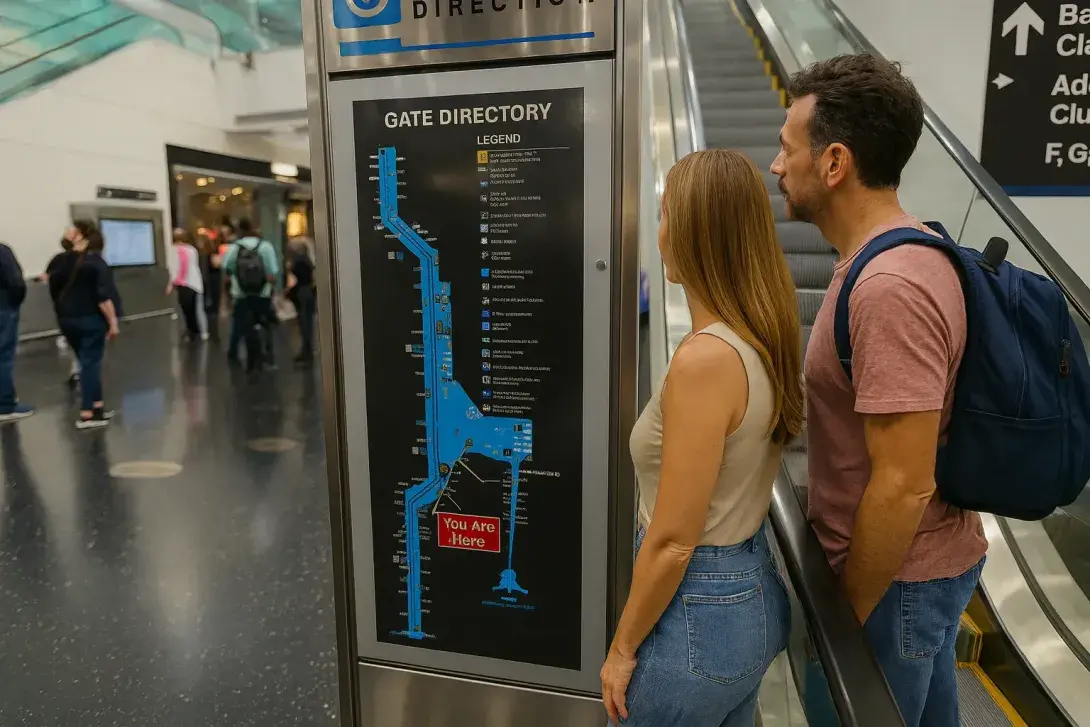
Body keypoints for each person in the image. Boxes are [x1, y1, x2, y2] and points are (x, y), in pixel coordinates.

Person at [770, 54, 988, 727]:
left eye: (787, 149)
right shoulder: (892, 257)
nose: (777, 167)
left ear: (834, 163)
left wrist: (848, 615)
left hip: (894, 585)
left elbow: (902, 483)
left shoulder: (889, 287)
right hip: (915, 578)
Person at [601, 149, 802, 726]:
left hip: (696, 613)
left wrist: (622, 650)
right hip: (749, 592)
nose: (658, 235)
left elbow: (672, 541)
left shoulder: (705, 360)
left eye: (665, 216)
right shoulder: (760, 339)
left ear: (694, 231)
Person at [47, 220, 119, 429]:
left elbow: (53, 290)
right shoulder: (96, 262)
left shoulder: (60, 261)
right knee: (90, 365)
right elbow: (103, 297)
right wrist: (113, 322)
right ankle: (88, 413)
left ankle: (98, 406)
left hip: (67, 320)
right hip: (91, 319)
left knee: (86, 362)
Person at [222, 218, 279, 371]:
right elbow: (273, 271)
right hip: (263, 293)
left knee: (244, 325)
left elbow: (226, 266)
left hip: (241, 294)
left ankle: (248, 358)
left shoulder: (234, 248)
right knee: (265, 325)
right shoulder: (265, 246)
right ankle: (267, 356)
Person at [0, 241, 32, 422]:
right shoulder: (2, 251)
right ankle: (5, 405)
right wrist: (14, 303)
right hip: (3, 308)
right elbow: (15, 283)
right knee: (4, 356)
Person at [166, 228, 206, 341]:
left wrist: (173, 283)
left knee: (186, 310)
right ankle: (199, 331)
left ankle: (191, 331)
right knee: (196, 309)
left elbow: (181, 267)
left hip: (184, 284)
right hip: (195, 283)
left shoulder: (178, 249)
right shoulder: (192, 249)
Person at [286, 237, 316, 366]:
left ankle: (307, 350)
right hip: (308, 292)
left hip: (302, 293)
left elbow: (296, 275)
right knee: (307, 322)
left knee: (304, 323)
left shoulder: (299, 260)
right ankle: (307, 349)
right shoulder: (309, 259)